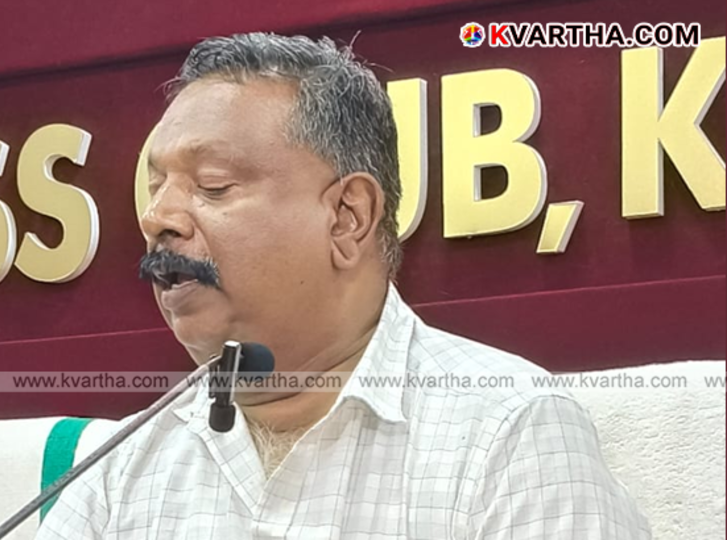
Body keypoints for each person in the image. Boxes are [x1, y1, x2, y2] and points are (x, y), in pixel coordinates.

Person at [36, 33, 650, 539]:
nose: (157, 217)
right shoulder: (125, 464)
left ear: (347, 217)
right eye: (155, 187)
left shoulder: (509, 433)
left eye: (213, 184)